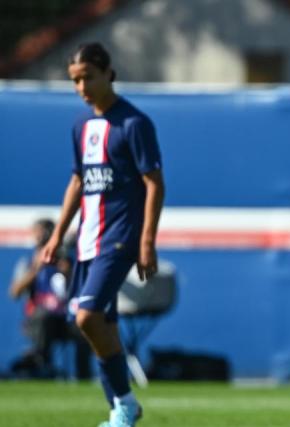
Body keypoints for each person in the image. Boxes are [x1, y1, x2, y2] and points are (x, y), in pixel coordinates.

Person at [40, 42, 165, 427]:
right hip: (86, 242)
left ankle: (124, 403)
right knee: (100, 327)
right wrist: (57, 233)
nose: (81, 86)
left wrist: (147, 241)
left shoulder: (134, 124)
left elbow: (154, 183)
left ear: (108, 73)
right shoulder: (81, 127)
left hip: (120, 238)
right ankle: (120, 411)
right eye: (75, 80)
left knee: (85, 316)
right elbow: (78, 181)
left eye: (87, 77)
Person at [8, 219, 91, 379]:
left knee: (85, 324)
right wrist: (36, 268)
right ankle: (42, 368)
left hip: (66, 317)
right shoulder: (28, 262)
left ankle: (84, 375)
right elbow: (15, 292)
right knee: (43, 317)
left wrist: (68, 272)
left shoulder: (68, 260)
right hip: (40, 318)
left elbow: (81, 289)